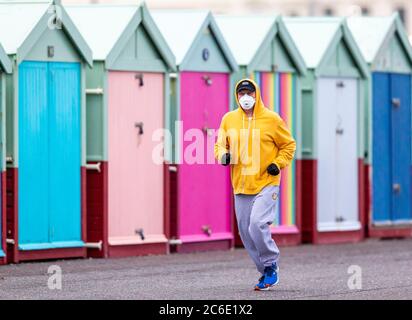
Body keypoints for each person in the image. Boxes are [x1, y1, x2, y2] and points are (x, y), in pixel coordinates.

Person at [214, 79, 296, 291]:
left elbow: (288, 145)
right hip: (241, 185)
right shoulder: (229, 119)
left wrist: (278, 164)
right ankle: (266, 271)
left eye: (249, 92)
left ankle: (270, 264)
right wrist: (223, 155)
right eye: (241, 94)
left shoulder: (271, 119)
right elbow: (220, 144)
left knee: (257, 224)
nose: (246, 97)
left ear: (257, 94)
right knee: (245, 232)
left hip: (266, 182)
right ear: (236, 96)